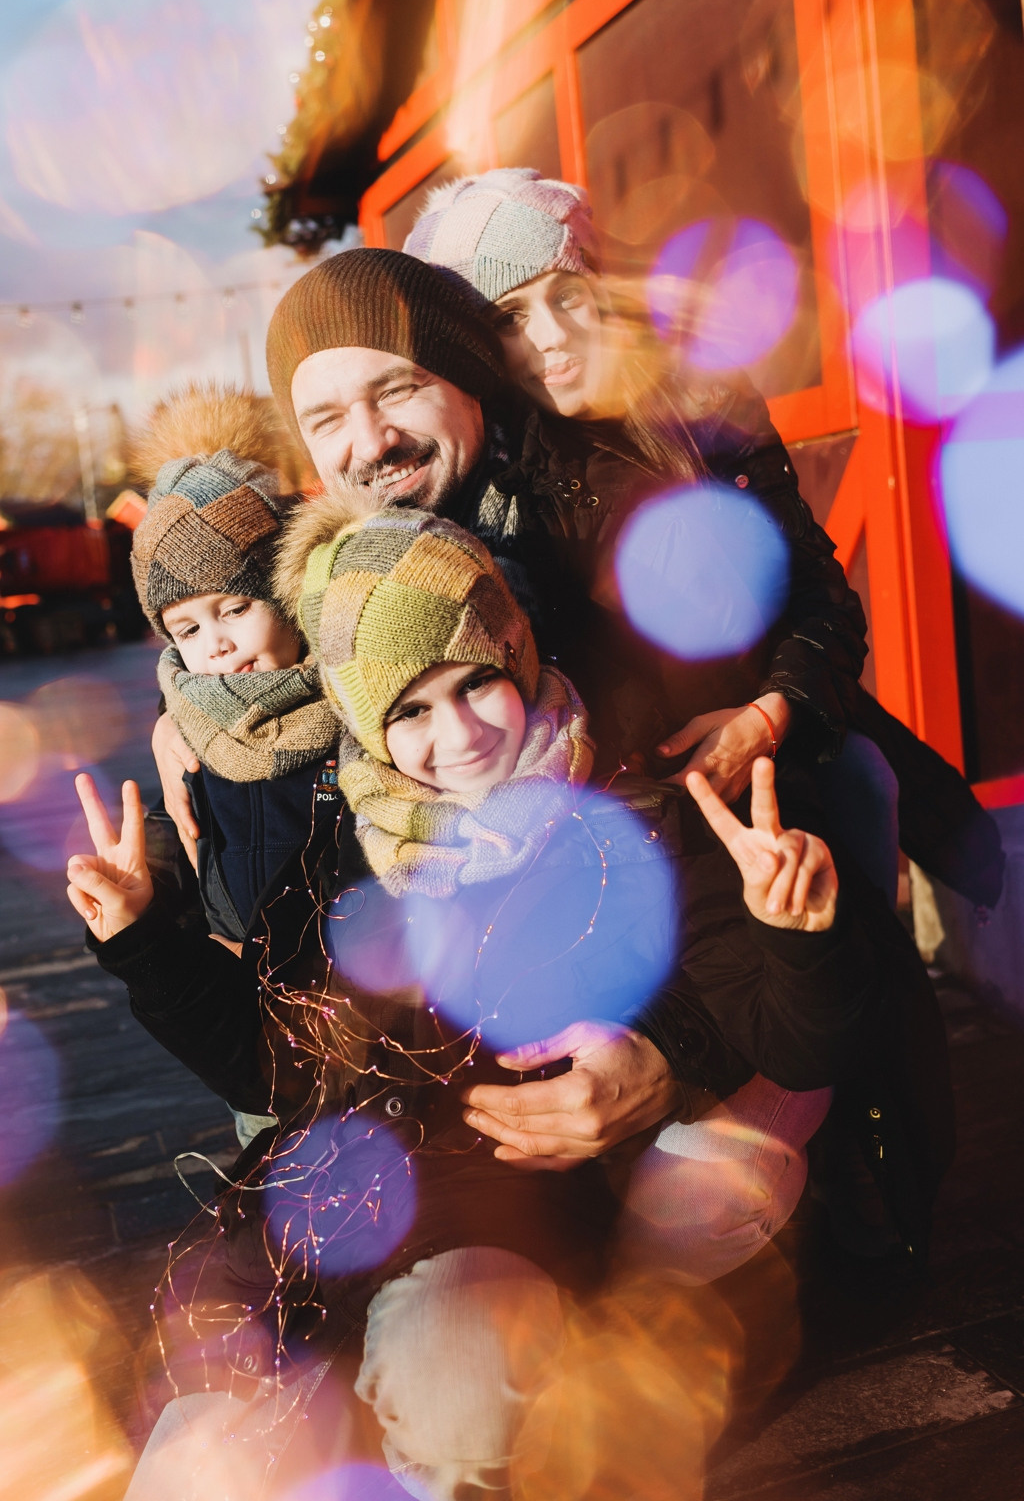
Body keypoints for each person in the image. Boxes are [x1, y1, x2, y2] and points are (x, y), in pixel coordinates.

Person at [142, 248, 951, 1250]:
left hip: (708, 966)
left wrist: (667, 1055)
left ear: (468, 378)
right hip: (504, 1023)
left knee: (691, 1215)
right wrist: (200, 718)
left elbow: (722, 868)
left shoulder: (605, 535)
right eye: (327, 417)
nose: (369, 440)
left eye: (397, 389)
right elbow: (235, 646)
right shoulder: (344, 579)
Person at [74, 498, 873, 1497]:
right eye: (408, 710)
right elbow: (274, 1070)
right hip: (321, 1230)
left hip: (498, 1225)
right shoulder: (340, 848)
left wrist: (793, 936)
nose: (455, 735)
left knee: (456, 1379)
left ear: (518, 652)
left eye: (476, 683)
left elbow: (793, 1043)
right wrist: (144, 942)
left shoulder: (639, 819)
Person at [403, 166, 1005, 910]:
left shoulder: (704, 399)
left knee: (863, 781)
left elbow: (817, 591)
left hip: (789, 736)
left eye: (567, 295)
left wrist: (768, 717)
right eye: (509, 317)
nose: (552, 336)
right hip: (638, 808)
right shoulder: (496, 488)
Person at [71, 383, 340, 1142]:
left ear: (287, 593)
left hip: (367, 1024)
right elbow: (195, 837)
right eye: (186, 628)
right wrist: (148, 887)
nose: (216, 645)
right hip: (250, 1032)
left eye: (235, 607)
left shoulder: (356, 701)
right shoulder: (193, 725)